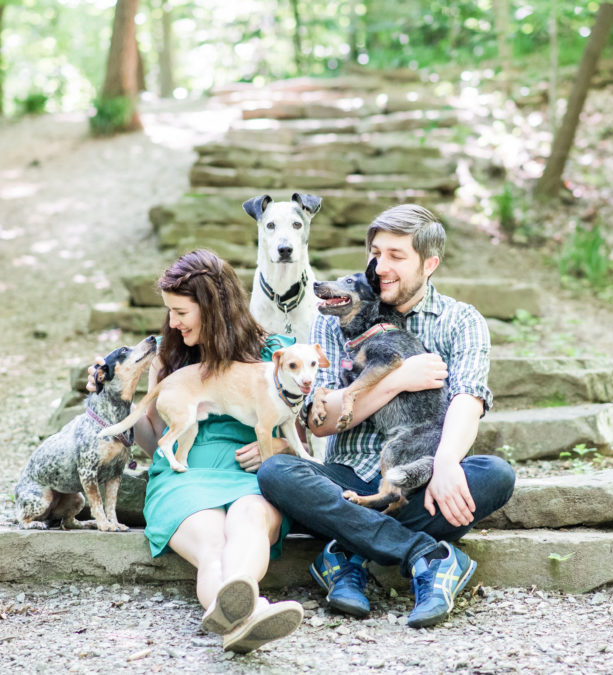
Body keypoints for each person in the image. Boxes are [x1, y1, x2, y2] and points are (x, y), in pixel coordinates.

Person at [255, 204, 516, 628]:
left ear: (429, 264)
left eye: (396, 256)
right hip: (347, 476)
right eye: (376, 253)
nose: (381, 266)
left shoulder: (461, 320)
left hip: (420, 475)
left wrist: (447, 463)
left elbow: (468, 398)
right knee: (277, 473)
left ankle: (347, 551)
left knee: (496, 474)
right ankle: (425, 555)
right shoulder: (340, 315)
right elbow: (319, 423)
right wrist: (396, 381)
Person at [87, 249, 302, 653]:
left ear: (213, 307)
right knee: (212, 546)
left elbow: (301, 429)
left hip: (250, 477)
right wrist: (121, 397)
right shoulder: (169, 359)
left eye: (181, 312)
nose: (172, 322)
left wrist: (281, 447)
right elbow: (151, 444)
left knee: (249, 520)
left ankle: (237, 619)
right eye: (169, 311)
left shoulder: (276, 354)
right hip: (183, 477)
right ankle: (249, 613)